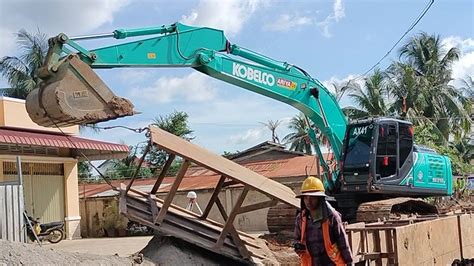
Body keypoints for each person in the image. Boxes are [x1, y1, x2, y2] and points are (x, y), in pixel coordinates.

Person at [294, 176, 353, 266]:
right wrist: (297, 246)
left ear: (320, 198)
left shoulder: (332, 216)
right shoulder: (301, 218)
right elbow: (297, 239)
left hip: (331, 263)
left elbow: (342, 242)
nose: (308, 201)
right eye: (306, 198)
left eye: (312, 198)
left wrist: (349, 262)